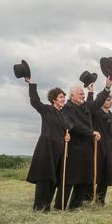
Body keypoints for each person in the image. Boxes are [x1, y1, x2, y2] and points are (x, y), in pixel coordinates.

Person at [54, 76, 112, 210]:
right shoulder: (67, 108)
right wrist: (91, 132)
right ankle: (60, 206)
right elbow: (75, 125)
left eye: (83, 94)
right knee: (69, 179)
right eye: (80, 94)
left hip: (87, 149)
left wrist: (107, 87)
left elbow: (98, 102)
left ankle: (75, 206)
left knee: (84, 179)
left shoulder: (86, 106)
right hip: (73, 149)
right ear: (72, 95)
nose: (83, 95)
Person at [24, 77, 71, 212]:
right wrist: (32, 84)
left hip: (59, 151)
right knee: (44, 178)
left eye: (64, 97)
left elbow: (66, 130)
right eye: (61, 97)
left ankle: (46, 206)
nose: (63, 99)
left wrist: (67, 137)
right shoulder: (47, 110)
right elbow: (35, 101)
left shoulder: (63, 115)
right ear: (54, 99)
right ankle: (38, 207)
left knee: (54, 179)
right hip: (46, 148)